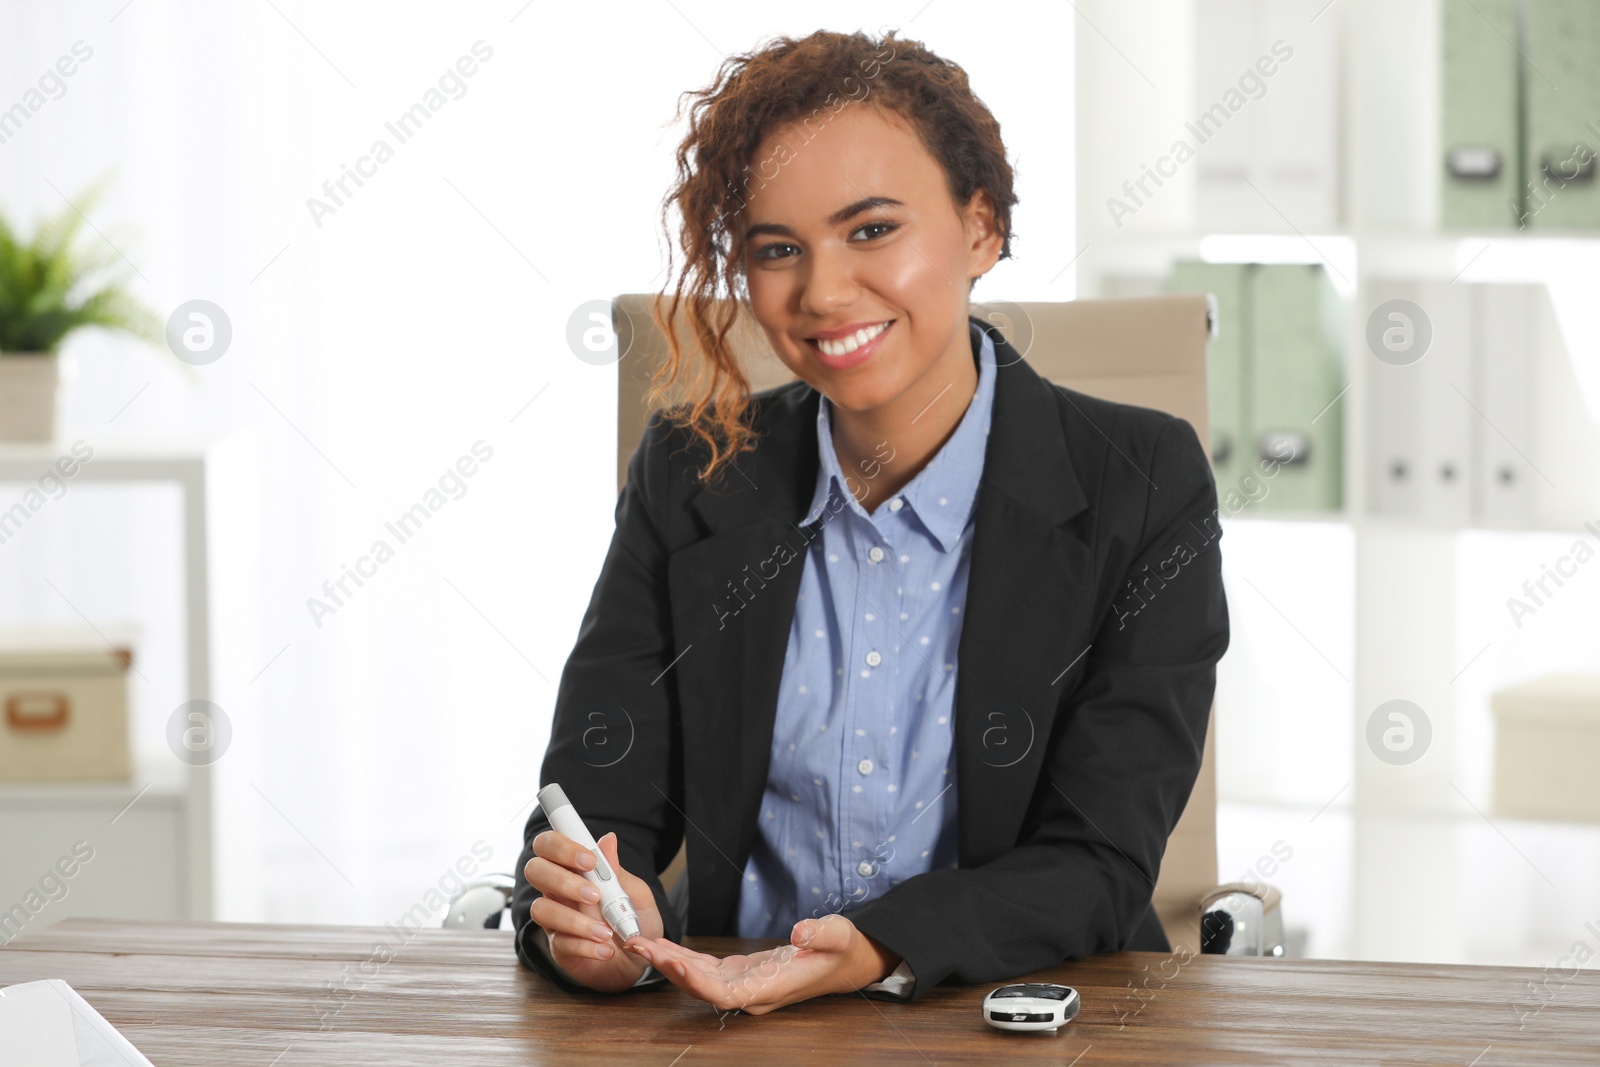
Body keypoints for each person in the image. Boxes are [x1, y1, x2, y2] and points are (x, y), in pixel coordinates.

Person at [512, 27, 1229, 1016]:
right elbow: (591, 814)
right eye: (775, 250)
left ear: (981, 227)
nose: (823, 291)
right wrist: (596, 928)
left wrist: (876, 944)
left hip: (1016, 1016)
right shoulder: (689, 471)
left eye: (871, 229)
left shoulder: (1142, 481)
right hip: (731, 1021)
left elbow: (1098, 857)